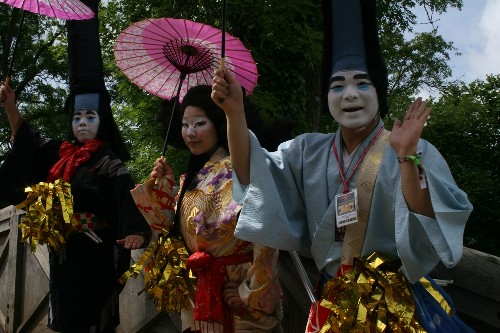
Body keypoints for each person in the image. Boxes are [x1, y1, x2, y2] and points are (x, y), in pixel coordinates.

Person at [211, 0, 474, 331]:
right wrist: (234, 112)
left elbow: (427, 218)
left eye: (362, 83)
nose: (350, 94)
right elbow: (253, 173)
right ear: (327, 97)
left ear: (379, 93)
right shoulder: (307, 150)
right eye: (338, 86)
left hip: (393, 303)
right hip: (332, 299)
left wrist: (406, 156)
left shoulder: (413, 149)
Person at [0, 0, 151, 332]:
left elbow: (126, 199)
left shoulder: (109, 163)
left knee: (95, 318)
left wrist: (135, 231)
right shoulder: (59, 153)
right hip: (64, 251)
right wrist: (11, 106)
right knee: (64, 317)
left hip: (97, 252)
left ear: (102, 120)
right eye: (77, 116)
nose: (83, 122)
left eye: (90, 116)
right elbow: (27, 143)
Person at [128, 84, 283, 333]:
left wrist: (250, 290)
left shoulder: (239, 169)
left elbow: (265, 231)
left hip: (235, 291)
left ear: (219, 123)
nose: (190, 133)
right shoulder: (192, 178)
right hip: (198, 289)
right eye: (185, 124)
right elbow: (173, 233)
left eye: (199, 123)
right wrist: (162, 190)